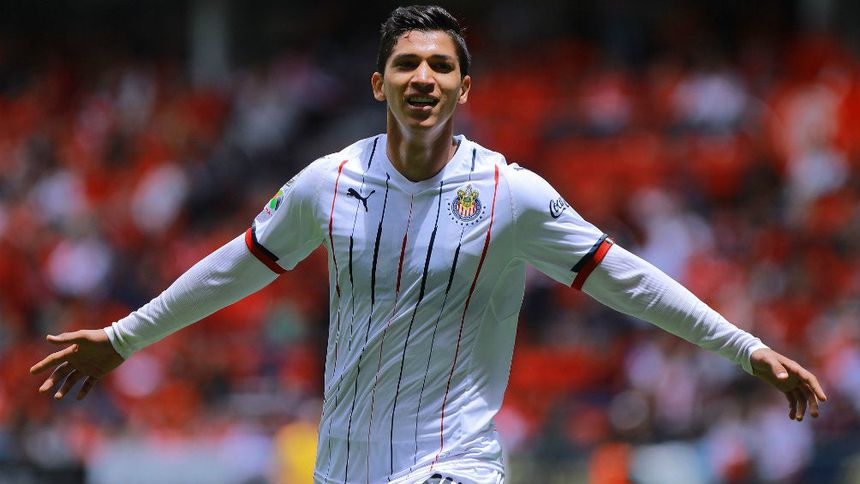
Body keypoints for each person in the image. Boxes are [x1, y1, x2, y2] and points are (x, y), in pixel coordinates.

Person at [31, 5, 827, 484]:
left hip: (456, 465)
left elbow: (630, 279)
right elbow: (233, 268)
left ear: (463, 87)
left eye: (441, 66)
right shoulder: (327, 184)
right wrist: (124, 338)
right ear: (379, 83)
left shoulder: (512, 194)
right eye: (406, 63)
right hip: (343, 467)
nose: (424, 77)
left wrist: (746, 348)